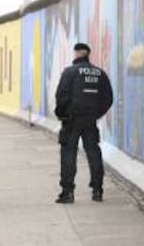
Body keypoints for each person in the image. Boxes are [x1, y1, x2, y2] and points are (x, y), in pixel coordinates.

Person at [55, 43, 113, 204]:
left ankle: (67, 192)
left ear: (77, 53)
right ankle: (97, 190)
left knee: (68, 153)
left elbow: (61, 96)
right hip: (90, 120)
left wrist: (63, 115)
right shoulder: (100, 74)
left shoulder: (70, 72)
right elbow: (108, 98)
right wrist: (95, 114)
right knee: (93, 152)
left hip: (72, 120)